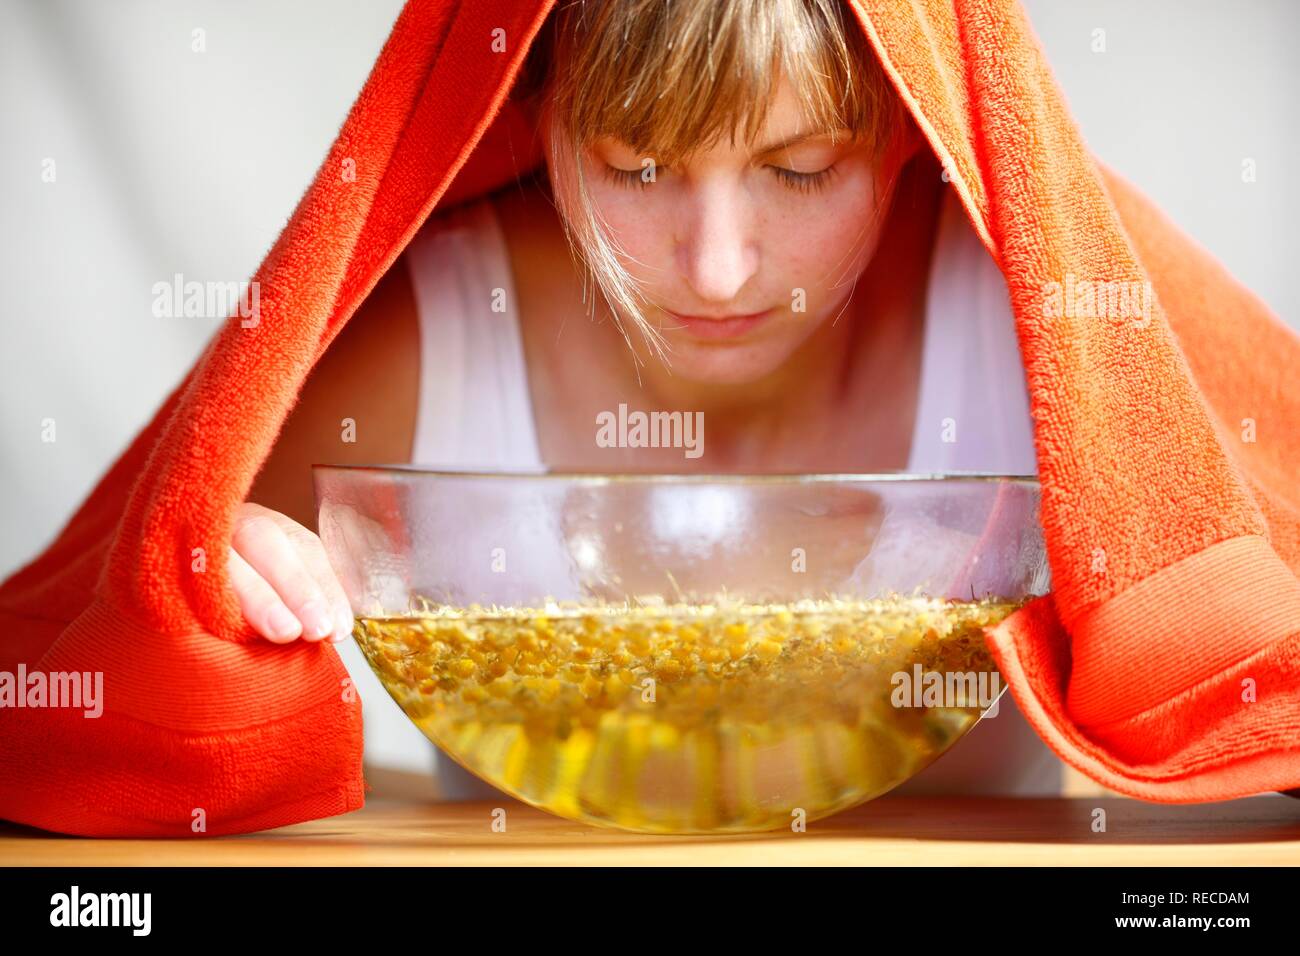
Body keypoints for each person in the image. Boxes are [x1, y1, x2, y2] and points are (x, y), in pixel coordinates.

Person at [235, 0, 1061, 797]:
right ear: (532, 112)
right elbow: (154, 669)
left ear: (910, 124)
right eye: (638, 166)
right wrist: (219, 585)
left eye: (799, 170)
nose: (717, 272)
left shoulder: (1043, 324)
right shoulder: (423, 339)